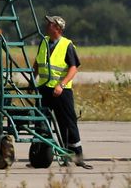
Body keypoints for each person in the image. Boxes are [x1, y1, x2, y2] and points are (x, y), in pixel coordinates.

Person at [35, 14, 90, 168]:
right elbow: (38, 63)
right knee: (40, 122)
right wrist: (33, 79)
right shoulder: (44, 42)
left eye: (50, 24)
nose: (47, 26)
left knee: (67, 123)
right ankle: (41, 155)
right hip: (44, 89)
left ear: (57, 28)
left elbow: (73, 68)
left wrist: (62, 85)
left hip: (61, 91)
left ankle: (77, 156)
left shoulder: (67, 45)